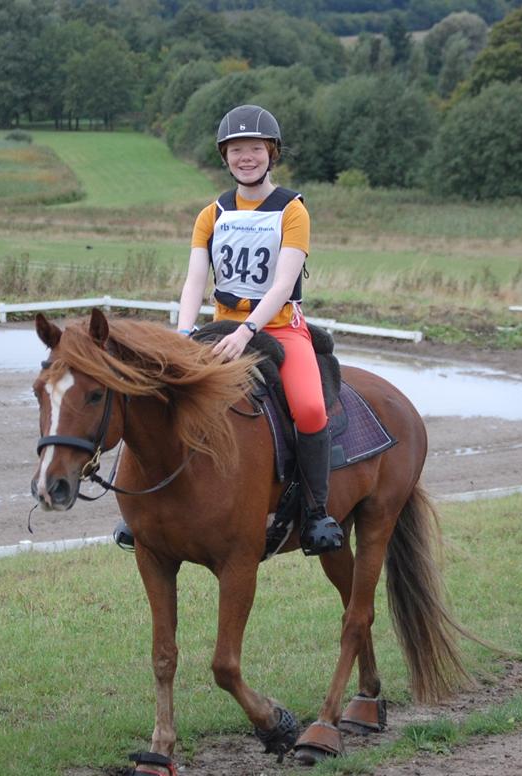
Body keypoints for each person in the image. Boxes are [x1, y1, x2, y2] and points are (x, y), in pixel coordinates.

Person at [115, 104, 344, 556]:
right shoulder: (211, 214)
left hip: (279, 328)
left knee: (311, 409)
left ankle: (316, 514)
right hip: (219, 327)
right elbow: (194, 280)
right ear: (225, 156)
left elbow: (284, 282)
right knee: (159, 395)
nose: (246, 157)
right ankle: (140, 513)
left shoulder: (293, 210)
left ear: (271, 153)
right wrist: (183, 335)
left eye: (255, 149)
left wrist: (247, 331)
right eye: (237, 150)